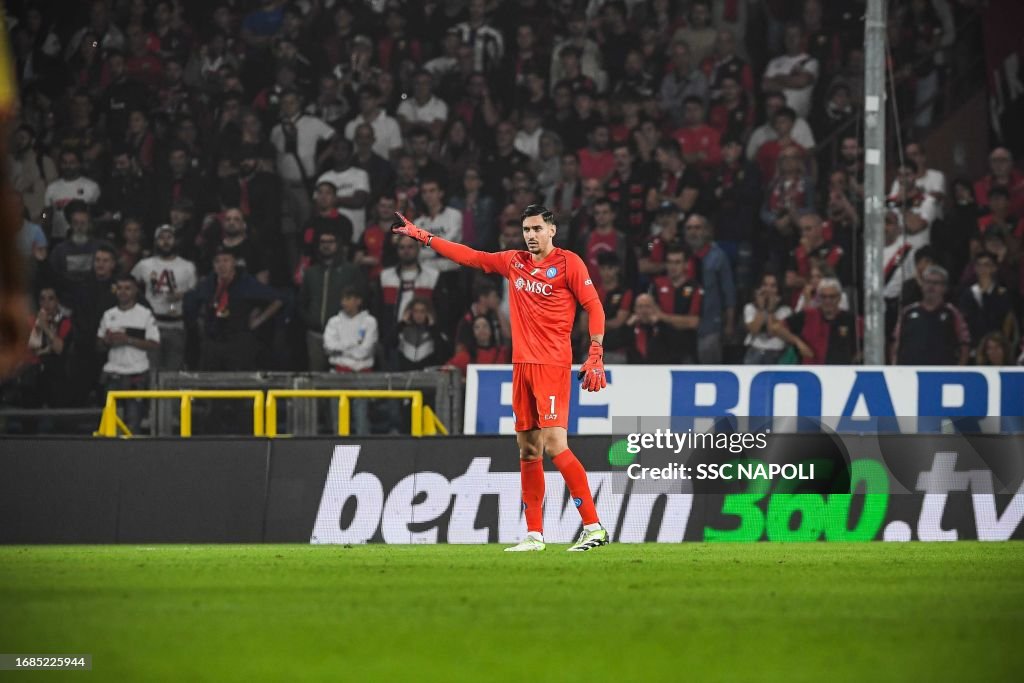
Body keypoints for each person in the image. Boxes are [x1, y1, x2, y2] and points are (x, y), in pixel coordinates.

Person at [392, 204, 611, 552]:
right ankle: (535, 535)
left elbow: (594, 306)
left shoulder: (569, 263)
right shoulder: (514, 262)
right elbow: (470, 256)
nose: (531, 235)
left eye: (537, 229)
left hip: (552, 365)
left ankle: (594, 527)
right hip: (521, 366)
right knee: (528, 450)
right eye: (526, 230)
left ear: (552, 231)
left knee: (555, 445)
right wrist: (423, 236)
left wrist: (596, 353)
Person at [96, 274, 160, 433]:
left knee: (133, 424)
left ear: (135, 290)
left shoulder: (145, 314)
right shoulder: (108, 314)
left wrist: (128, 340)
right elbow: (98, 345)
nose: (123, 292)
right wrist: (107, 341)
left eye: (127, 288)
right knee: (112, 425)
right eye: (120, 288)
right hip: (113, 373)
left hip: (136, 374)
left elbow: (154, 343)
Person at [131, 225, 197, 372]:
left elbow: (194, 294)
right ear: (156, 241)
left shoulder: (187, 267)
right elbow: (129, 286)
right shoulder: (144, 265)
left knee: (173, 371)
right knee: (152, 370)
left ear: (175, 240)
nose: (165, 242)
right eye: (161, 238)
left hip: (177, 324)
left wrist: (182, 296)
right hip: (152, 325)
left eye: (169, 238)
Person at [299, 230, 361, 371]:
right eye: (322, 242)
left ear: (338, 244)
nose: (326, 246)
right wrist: (309, 320)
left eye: (330, 242)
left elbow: (361, 299)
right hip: (316, 335)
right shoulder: (311, 272)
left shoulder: (350, 271)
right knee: (316, 378)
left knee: (342, 377)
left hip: (343, 334)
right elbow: (302, 302)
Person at [892, 265, 970, 366]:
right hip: (910, 371)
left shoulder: (952, 312)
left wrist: (960, 369)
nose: (931, 286)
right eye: (927, 282)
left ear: (945, 287)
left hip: (942, 371)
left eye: (936, 283)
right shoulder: (908, 312)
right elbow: (896, 343)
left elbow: (964, 343)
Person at [778, 277, 861, 365]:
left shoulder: (850, 319)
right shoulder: (808, 315)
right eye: (823, 297)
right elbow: (776, 327)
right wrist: (798, 342)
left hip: (841, 373)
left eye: (832, 297)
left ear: (839, 297)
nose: (828, 301)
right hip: (811, 372)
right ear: (818, 298)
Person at [743, 272, 793, 364]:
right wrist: (761, 308)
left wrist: (770, 310)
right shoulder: (750, 307)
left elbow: (771, 331)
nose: (768, 289)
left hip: (776, 353)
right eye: (765, 285)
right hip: (755, 352)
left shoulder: (785, 310)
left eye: (773, 286)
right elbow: (754, 330)